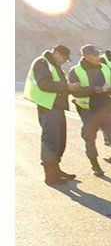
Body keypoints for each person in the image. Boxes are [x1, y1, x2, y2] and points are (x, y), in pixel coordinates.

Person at [69, 44, 111, 177]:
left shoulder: (105, 67)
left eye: (98, 54)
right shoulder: (75, 71)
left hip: (106, 109)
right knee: (90, 138)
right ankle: (96, 166)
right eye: (95, 55)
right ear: (86, 56)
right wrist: (94, 90)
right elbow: (75, 91)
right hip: (88, 111)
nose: (98, 57)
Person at [24, 44, 78, 185]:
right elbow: (44, 84)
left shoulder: (53, 65)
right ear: (56, 53)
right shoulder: (42, 63)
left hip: (56, 106)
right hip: (48, 106)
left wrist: (71, 88)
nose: (65, 61)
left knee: (60, 140)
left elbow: (58, 84)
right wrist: (66, 87)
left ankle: (56, 169)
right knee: (51, 140)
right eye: (65, 58)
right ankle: (50, 175)